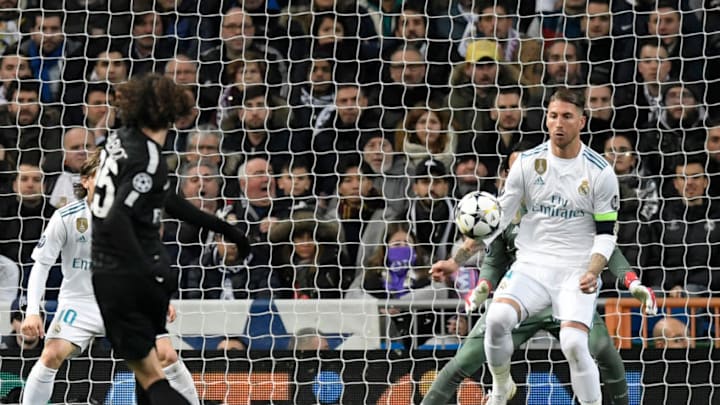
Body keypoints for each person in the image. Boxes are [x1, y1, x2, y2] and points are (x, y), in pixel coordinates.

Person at [90, 74, 249, 404]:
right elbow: (134, 209)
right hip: (139, 270)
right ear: (170, 112)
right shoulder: (149, 161)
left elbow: (146, 205)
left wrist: (223, 228)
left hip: (121, 273)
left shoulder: (117, 139)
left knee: (150, 375)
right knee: (147, 372)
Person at [468, 88, 619, 405]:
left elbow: (606, 233)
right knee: (496, 320)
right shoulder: (525, 163)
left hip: (576, 271)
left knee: (575, 345)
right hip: (531, 268)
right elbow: (498, 219)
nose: (558, 123)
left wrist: (593, 270)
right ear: (546, 120)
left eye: (566, 116)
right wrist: (457, 260)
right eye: (553, 116)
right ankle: (500, 389)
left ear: (582, 121)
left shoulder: (600, 172)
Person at [19, 153, 199, 405]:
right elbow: (41, 264)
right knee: (51, 354)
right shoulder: (66, 217)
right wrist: (32, 311)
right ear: (85, 181)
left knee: (166, 356)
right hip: (79, 302)